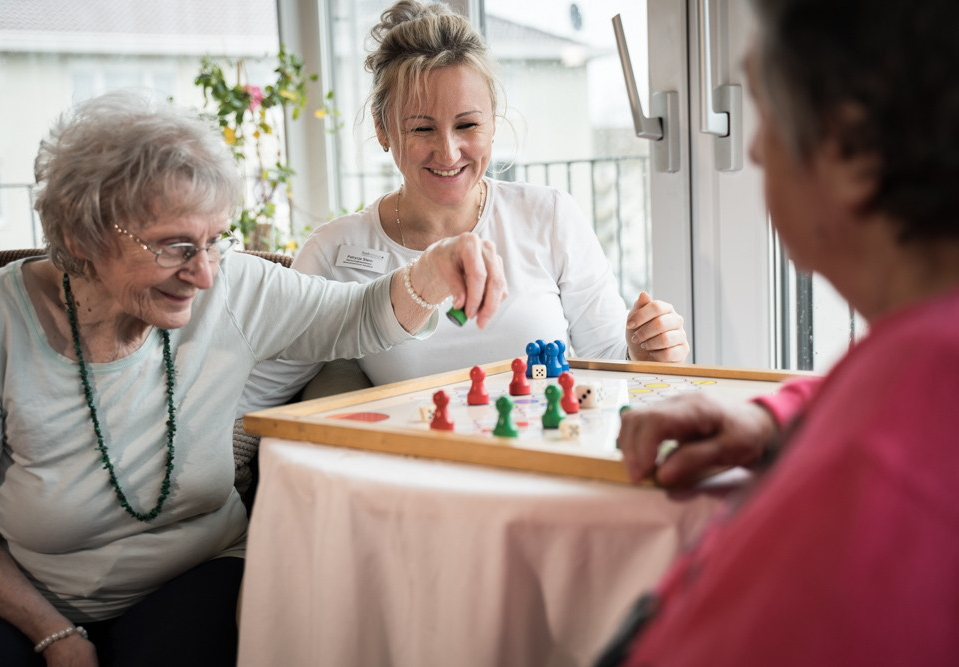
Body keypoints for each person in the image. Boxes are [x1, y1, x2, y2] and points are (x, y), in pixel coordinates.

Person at [0, 91, 506, 666]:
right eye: (174, 247)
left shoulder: (234, 288)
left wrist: (437, 266)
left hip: (200, 571)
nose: (202, 274)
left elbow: (359, 316)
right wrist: (54, 635)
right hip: (27, 594)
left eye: (216, 240)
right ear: (82, 237)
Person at [602, 0, 959, 664]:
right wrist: (776, 421)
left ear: (850, 151)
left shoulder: (871, 477)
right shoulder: (921, 357)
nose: (757, 147)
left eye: (763, 107)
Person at [237, 0, 690, 414]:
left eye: (467, 124)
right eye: (421, 129)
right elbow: (256, 393)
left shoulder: (549, 215)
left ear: (494, 122)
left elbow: (609, 364)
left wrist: (647, 354)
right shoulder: (337, 250)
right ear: (383, 129)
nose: (449, 152)